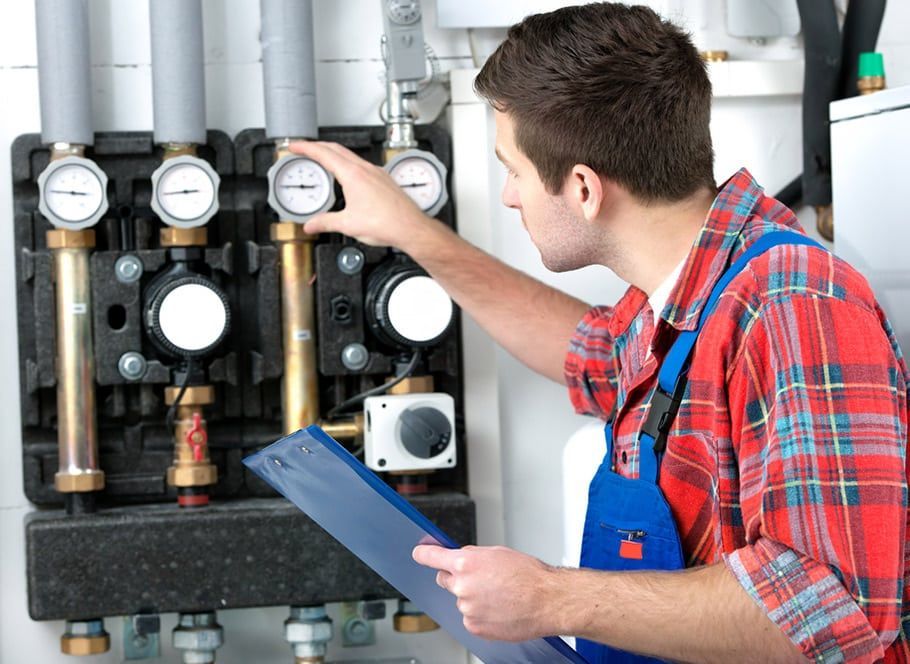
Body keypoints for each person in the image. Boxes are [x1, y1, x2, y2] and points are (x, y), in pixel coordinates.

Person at [290, 3, 910, 662]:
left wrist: (551, 597)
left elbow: (836, 609)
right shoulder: (681, 297)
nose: (508, 196)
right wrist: (414, 233)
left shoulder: (793, 303)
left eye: (514, 170)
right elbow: (583, 353)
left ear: (584, 189)